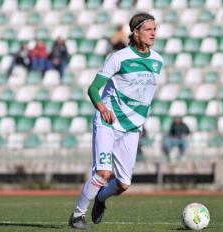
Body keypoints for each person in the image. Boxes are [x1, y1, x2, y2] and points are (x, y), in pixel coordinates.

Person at [68, 12, 163, 230]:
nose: (153, 33)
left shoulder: (158, 61)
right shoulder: (118, 57)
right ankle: (77, 216)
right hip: (108, 122)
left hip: (131, 129)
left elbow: (143, 96)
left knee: (123, 184)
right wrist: (102, 108)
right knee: (103, 172)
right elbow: (93, 89)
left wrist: (138, 123)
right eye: (149, 29)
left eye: (155, 29)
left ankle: (100, 199)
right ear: (135, 32)